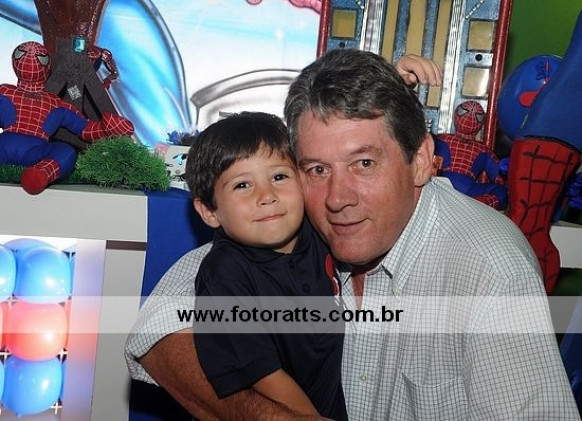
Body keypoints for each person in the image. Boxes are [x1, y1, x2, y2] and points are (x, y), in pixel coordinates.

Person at [127, 49, 579, 420]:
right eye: (317, 169)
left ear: (422, 160)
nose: (337, 198)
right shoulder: (296, 220)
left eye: (364, 163)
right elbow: (157, 325)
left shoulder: (487, 268)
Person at [185, 111, 346, 419]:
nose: (267, 196)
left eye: (279, 177)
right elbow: (263, 374)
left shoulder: (320, 232)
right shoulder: (224, 274)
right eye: (242, 185)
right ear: (209, 211)